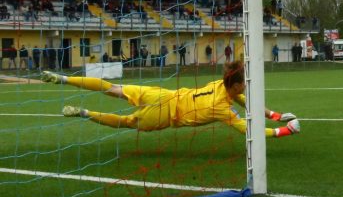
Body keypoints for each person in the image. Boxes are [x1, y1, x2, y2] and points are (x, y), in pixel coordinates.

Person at [40, 61, 300, 138]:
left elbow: (246, 101)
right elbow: (247, 127)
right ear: (235, 85)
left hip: (164, 95)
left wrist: (274, 114)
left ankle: (63, 78)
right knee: (126, 122)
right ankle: (84, 113)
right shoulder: (222, 108)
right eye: (244, 82)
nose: (246, 86)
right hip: (166, 115)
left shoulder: (219, 86)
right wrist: (283, 130)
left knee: (113, 89)